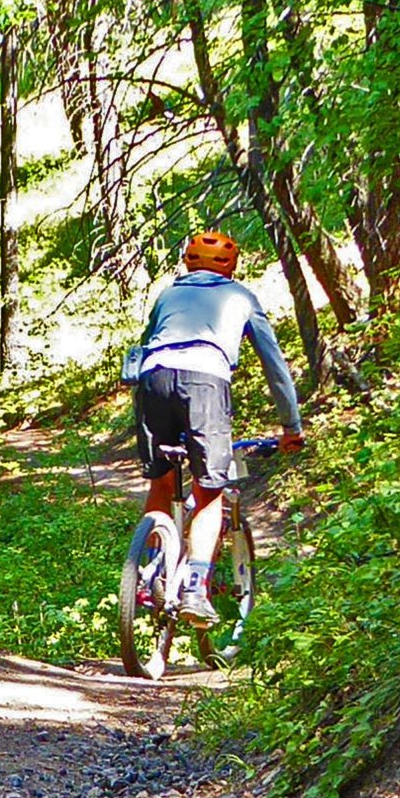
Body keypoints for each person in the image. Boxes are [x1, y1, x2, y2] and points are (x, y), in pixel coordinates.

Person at [126, 230, 306, 627]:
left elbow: (145, 345)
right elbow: (274, 366)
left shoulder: (168, 294)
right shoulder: (241, 297)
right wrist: (291, 426)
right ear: (232, 266)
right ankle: (193, 589)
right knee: (209, 493)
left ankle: (151, 573)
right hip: (205, 382)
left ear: (188, 261)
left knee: (162, 481)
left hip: (153, 381)